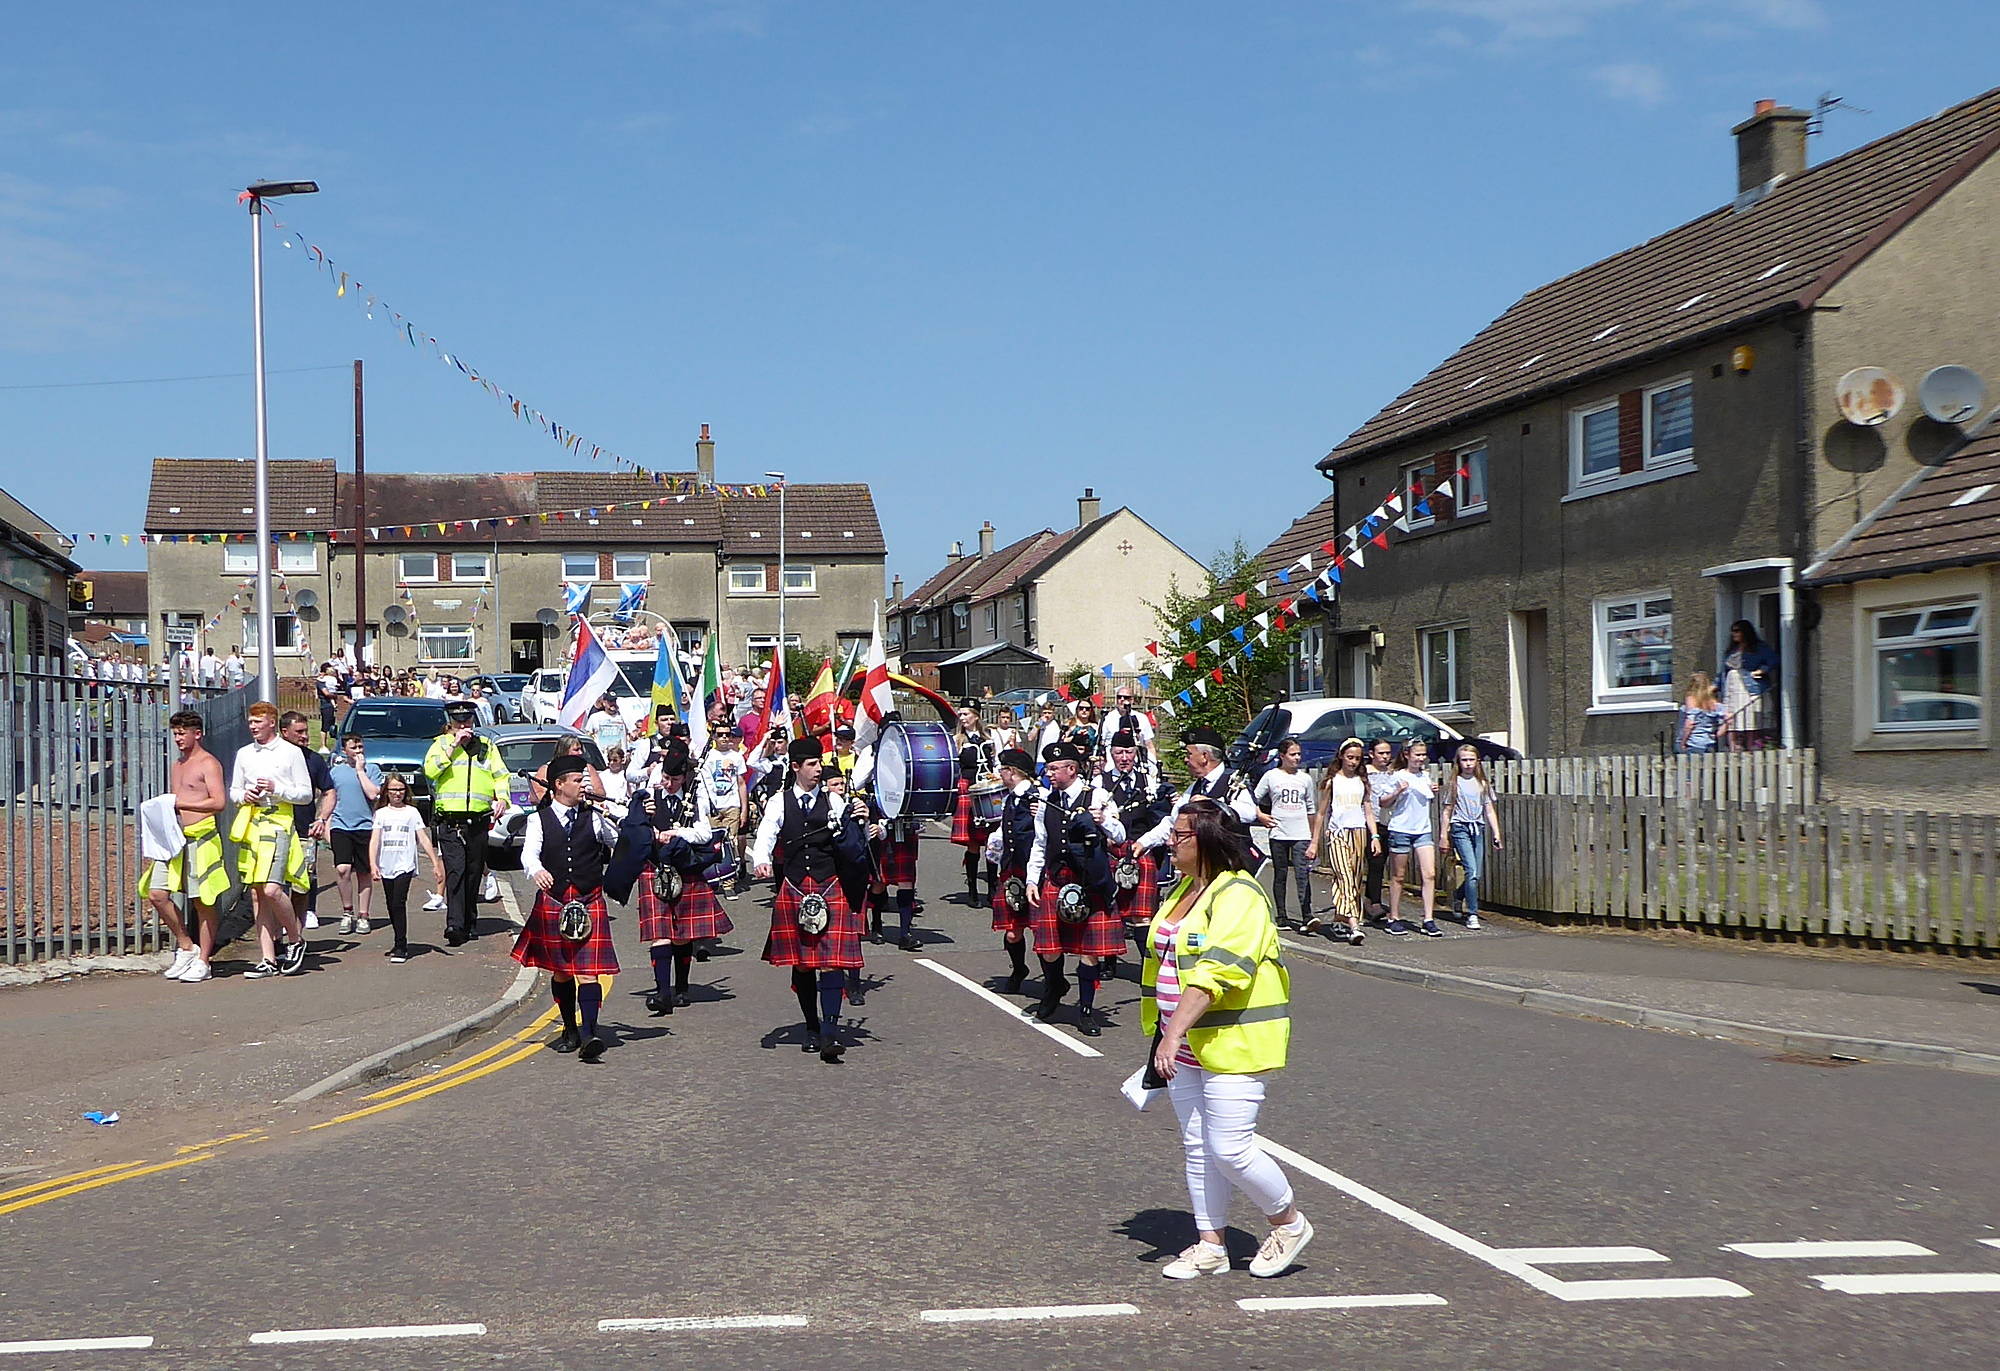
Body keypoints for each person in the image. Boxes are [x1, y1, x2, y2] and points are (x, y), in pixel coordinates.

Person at [1144, 797, 1312, 1281]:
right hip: (1186, 1041)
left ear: (1208, 842)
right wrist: (1166, 1030)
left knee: (1230, 1147)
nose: (1169, 841)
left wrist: (1171, 1033)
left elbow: (1222, 972)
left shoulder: (1238, 894)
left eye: (1179, 835)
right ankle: (1210, 1244)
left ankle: (1288, 1222)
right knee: (1198, 1145)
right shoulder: (1182, 891)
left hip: (1233, 1040)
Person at [751, 736, 869, 1064]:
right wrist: (760, 858)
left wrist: (862, 816)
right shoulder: (780, 802)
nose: (819, 769)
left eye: (820, 763)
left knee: (831, 962)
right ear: (796, 767)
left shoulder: (835, 802)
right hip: (795, 887)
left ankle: (830, 1030)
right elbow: (766, 834)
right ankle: (812, 1026)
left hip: (829, 885)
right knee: (803, 964)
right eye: (812, 764)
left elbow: (859, 840)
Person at [515, 755, 621, 1062]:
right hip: (556, 901)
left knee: (588, 973)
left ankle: (589, 1033)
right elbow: (529, 854)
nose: (583, 785)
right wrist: (535, 870)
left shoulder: (596, 817)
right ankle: (570, 1028)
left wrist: (627, 821)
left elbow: (620, 842)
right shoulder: (539, 819)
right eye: (577, 780)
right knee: (562, 972)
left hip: (589, 901)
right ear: (560, 785)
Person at [1025, 740, 1124, 1035]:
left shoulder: (1098, 795)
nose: (1049, 774)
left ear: (1071, 768)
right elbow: (1040, 844)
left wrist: (1103, 819)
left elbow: (1119, 834)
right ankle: (1055, 985)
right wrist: (1033, 879)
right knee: (1049, 948)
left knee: (1089, 951)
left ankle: (1085, 1009)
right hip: (1057, 880)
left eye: (1054, 768)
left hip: (1091, 882)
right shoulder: (1045, 801)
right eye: (1048, 768)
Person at [630, 740, 732, 1016]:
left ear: (684, 777)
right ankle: (663, 992)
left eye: (674, 779)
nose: (669, 783)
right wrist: (650, 831)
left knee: (682, 935)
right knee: (660, 934)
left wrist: (676, 833)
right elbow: (633, 829)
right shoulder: (649, 796)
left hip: (685, 870)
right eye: (666, 777)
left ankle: (682, 987)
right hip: (654, 869)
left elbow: (704, 834)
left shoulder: (696, 796)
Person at [138, 709, 228, 983]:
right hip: (176, 837)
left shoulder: (208, 763)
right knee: (156, 894)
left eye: (182, 733)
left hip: (202, 837)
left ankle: (204, 960)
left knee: (203, 900)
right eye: (175, 733)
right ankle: (187, 946)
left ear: (197, 734)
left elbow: (218, 802)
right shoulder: (177, 764)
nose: (177, 738)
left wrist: (180, 804)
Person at [228, 702, 312, 978]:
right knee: (257, 892)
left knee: (273, 889)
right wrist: (245, 796)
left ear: (272, 723)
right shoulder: (244, 754)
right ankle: (268, 958)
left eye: (257, 721)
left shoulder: (291, 753)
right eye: (250, 721)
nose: (252, 726)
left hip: (279, 823)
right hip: (253, 823)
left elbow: (305, 794)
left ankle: (295, 940)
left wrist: (279, 789)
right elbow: (234, 791)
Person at [423, 699, 510, 946]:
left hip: (479, 820)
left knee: (473, 874)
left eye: (467, 720)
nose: (464, 725)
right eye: (458, 721)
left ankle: (470, 920)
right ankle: (455, 925)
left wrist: (502, 797)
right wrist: (453, 746)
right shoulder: (440, 745)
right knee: (456, 872)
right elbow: (430, 771)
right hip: (450, 820)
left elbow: (500, 775)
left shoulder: (486, 746)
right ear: (450, 723)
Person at [1099, 729, 1173, 966]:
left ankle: (1149, 966)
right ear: (1111, 753)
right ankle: (1109, 961)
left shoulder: (1148, 780)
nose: (1124, 757)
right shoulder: (1100, 782)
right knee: (1111, 909)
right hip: (1112, 850)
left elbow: (1161, 816)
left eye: (1129, 752)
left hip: (1142, 850)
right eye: (1119, 752)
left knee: (1143, 915)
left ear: (1136, 753)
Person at [1134, 727, 1260, 861]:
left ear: (1204, 756)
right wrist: (1143, 843)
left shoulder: (1233, 780)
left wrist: (1212, 804)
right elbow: (1174, 821)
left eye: (1189, 754)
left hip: (1232, 863)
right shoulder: (1196, 786)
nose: (1185, 760)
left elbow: (1249, 813)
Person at [855, 732, 925, 952]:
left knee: (906, 881)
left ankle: (905, 933)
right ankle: (876, 924)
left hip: (903, 821)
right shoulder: (872, 751)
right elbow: (857, 782)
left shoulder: (909, 752)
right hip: (879, 815)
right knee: (878, 882)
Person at [983, 747, 1041, 995]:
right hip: (1011, 869)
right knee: (1012, 932)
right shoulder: (1011, 797)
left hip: (1033, 871)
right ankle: (1019, 969)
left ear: (1011, 772)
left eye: (1001, 770)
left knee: (1043, 931)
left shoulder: (1037, 796)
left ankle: (1053, 980)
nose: (999, 774)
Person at [370, 775, 443, 962]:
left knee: (398, 902)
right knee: (390, 904)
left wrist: (435, 863)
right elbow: (375, 840)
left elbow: (424, 838)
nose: (397, 793)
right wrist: (373, 864)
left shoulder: (411, 812)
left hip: (405, 865)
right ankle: (397, 941)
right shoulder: (381, 814)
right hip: (386, 864)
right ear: (386, 791)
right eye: (393, 789)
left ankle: (401, 945)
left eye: (401, 789)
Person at [1308, 739, 1373, 945]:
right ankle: (1354, 925)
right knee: (1343, 875)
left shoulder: (1362, 781)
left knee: (1353, 878)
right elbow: (1321, 813)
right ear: (1341, 757)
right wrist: (1314, 842)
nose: (1353, 762)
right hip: (1337, 832)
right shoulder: (1332, 781)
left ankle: (1339, 918)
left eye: (1357, 758)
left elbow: (1368, 810)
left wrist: (1376, 836)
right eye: (1350, 757)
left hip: (1359, 831)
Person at [280, 710, 337, 929]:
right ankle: (283, 918)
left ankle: (308, 910)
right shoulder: (275, 759)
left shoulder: (314, 760)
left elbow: (329, 791)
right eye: (299, 732)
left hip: (305, 829)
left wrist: (321, 819)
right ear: (285, 732)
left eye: (306, 731)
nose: (305, 736)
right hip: (278, 827)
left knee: (306, 873)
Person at [1378, 740, 1440, 937]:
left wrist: (1434, 789)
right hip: (1401, 829)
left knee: (1429, 873)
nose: (1421, 759)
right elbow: (1383, 803)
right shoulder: (1397, 776)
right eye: (1417, 755)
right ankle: (1393, 917)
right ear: (1407, 755)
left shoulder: (1426, 776)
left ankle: (1428, 919)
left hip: (1423, 829)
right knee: (1399, 876)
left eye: (1423, 755)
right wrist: (1398, 791)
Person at [1253, 739, 1316, 930]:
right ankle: (1282, 915)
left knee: (1302, 873)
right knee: (1280, 873)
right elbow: (1252, 798)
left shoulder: (1305, 779)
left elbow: (1311, 809)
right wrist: (1261, 816)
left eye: (1298, 754)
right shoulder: (1271, 776)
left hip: (1301, 833)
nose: (1297, 758)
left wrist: (1314, 838)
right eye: (1292, 754)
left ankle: (1307, 915)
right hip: (1279, 833)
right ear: (1282, 756)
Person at [1438, 743, 1501, 931]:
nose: (1468, 764)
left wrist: (1497, 833)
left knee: (1476, 874)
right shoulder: (1454, 784)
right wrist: (1443, 835)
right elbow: (1447, 811)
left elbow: (1489, 810)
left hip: (1478, 828)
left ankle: (1458, 897)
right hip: (1460, 828)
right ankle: (1472, 913)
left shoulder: (1483, 784)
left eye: (1471, 760)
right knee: (1471, 871)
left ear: (1477, 761)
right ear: (1458, 762)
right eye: (1464, 760)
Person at [326, 732, 383, 935]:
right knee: (342, 869)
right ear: (344, 751)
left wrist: (360, 771)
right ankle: (347, 911)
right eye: (354, 748)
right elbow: (329, 799)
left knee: (364, 872)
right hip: (341, 825)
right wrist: (325, 823)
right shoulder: (335, 772)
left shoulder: (372, 770)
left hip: (366, 826)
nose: (359, 751)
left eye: (361, 747)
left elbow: (373, 793)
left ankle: (363, 915)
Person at [950, 706, 999, 904]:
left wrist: (996, 776)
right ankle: (972, 889)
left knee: (992, 841)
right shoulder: (956, 741)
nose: (962, 718)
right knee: (973, 843)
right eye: (960, 715)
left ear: (976, 716)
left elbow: (996, 762)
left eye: (966, 714)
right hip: (968, 789)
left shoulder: (990, 737)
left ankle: (992, 890)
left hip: (988, 789)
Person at [699, 726, 750, 898]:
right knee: (712, 845)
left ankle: (729, 882)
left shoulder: (736, 757)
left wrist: (744, 809)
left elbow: (742, 783)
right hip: (712, 806)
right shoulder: (707, 756)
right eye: (720, 735)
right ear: (713, 736)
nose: (724, 738)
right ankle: (713, 879)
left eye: (727, 735)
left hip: (732, 805)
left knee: (731, 842)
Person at [1719, 620, 1779, 751]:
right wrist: (1714, 686)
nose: (1734, 634)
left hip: (1748, 688)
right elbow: (1723, 672)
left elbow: (1774, 660)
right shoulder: (1732, 650)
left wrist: (1762, 670)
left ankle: (1752, 750)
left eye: (1737, 631)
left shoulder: (1758, 647)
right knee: (1732, 722)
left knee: (1750, 722)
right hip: (1732, 688)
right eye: (1733, 631)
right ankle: (1734, 750)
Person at [1361, 738, 1400, 918]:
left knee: (1382, 863)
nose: (1385, 757)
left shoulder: (1394, 774)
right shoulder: (1365, 774)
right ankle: (1373, 902)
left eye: (1387, 753)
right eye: (1381, 753)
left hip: (1388, 822)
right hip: (1368, 821)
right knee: (1375, 861)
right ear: (1371, 754)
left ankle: (1370, 899)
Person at [1102, 689, 1158, 766]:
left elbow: (1149, 745)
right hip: (1112, 762)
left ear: (1131, 700)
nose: (1122, 699)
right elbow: (1102, 743)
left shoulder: (1142, 718)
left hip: (1137, 760)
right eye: (1119, 697)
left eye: (1125, 697)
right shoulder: (1107, 718)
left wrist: (1154, 765)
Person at [1678, 671, 1728, 755]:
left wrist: (1683, 742)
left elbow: (1689, 724)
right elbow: (1728, 719)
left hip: (1693, 743)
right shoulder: (1712, 701)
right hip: (1710, 744)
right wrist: (1716, 735)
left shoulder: (1691, 699)